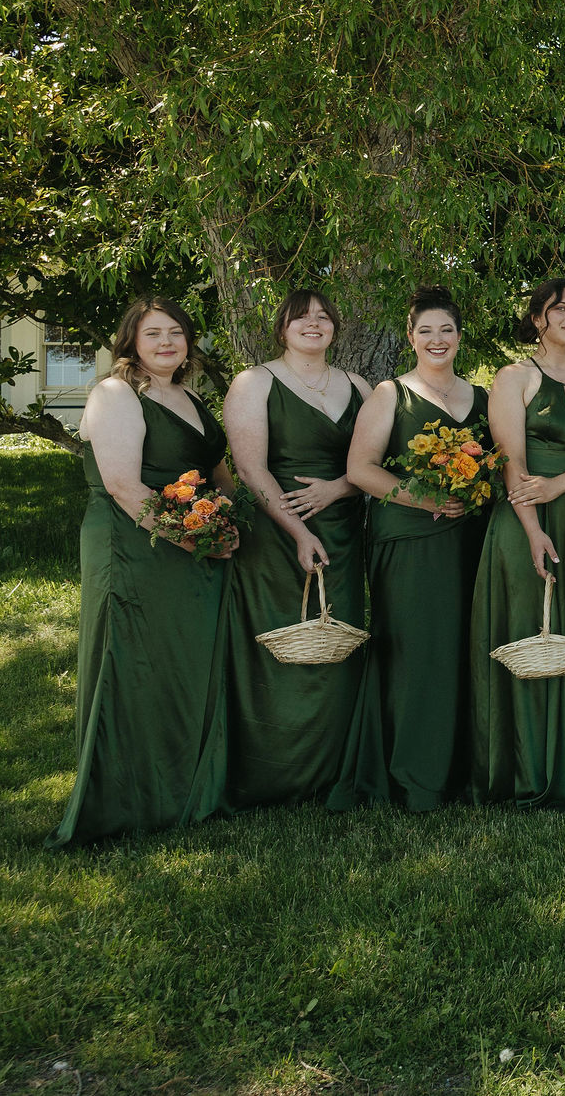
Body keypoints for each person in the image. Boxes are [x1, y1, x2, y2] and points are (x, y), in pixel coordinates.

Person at [50, 298, 239, 847]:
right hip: (132, 541)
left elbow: (217, 473)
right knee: (129, 658)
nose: (166, 343)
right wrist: (194, 537)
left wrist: (229, 522)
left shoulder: (193, 399)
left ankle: (183, 789)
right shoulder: (116, 394)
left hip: (193, 543)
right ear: (130, 340)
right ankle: (124, 801)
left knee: (184, 659)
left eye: (176, 333)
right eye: (153, 333)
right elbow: (123, 485)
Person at [468, 279, 565, 810]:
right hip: (523, 517)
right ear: (539, 316)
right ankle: (525, 767)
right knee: (527, 628)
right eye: (561, 309)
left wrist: (560, 485)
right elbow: (511, 460)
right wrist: (533, 529)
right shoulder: (512, 377)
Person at [333, 287, 492, 812]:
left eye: (446, 329)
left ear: (460, 336)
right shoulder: (390, 395)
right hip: (411, 543)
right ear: (410, 337)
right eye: (426, 330)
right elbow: (361, 469)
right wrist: (425, 497)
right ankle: (412, 776)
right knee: (420, 655)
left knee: (466, 651)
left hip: (472, 539)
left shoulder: (483, 398)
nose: (437, 339)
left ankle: (464, 771)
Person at [222, 290, 375, 810]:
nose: (314, 323)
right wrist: (298, 531)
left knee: (341, 639)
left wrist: (337, 489)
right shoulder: (254, 383)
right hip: (276, 532)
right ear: (281, 328)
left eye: (323, 316)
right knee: (281, 642)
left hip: (344, 530)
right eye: (301, 316)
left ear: (336, 327)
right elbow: (249, 469)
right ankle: (275, 773)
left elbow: (377, 463)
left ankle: (336, 770)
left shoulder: (358, 386)